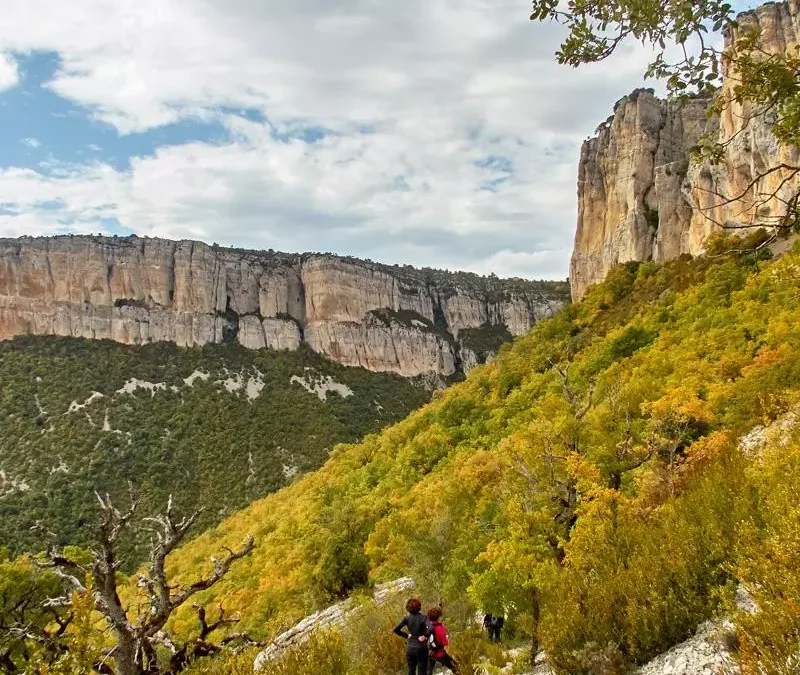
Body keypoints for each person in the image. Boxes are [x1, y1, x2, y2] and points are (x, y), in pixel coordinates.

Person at [394, 598, 430, 675]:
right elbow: (431, 628)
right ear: (419, 606)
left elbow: (396, 629)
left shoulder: (406, 618)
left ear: (408, 608)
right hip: (421, 648)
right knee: (422, 671)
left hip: (410, 648)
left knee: (411, 671)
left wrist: (406, 635)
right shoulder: (424, 618)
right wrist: (426, 636)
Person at [427, 607, 459, 674]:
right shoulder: (440, 627)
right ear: (438, 617)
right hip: (439, 653)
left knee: (429, 672)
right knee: (456, 667)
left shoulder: (427, 626)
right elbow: (445, 643)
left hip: (430, 653)